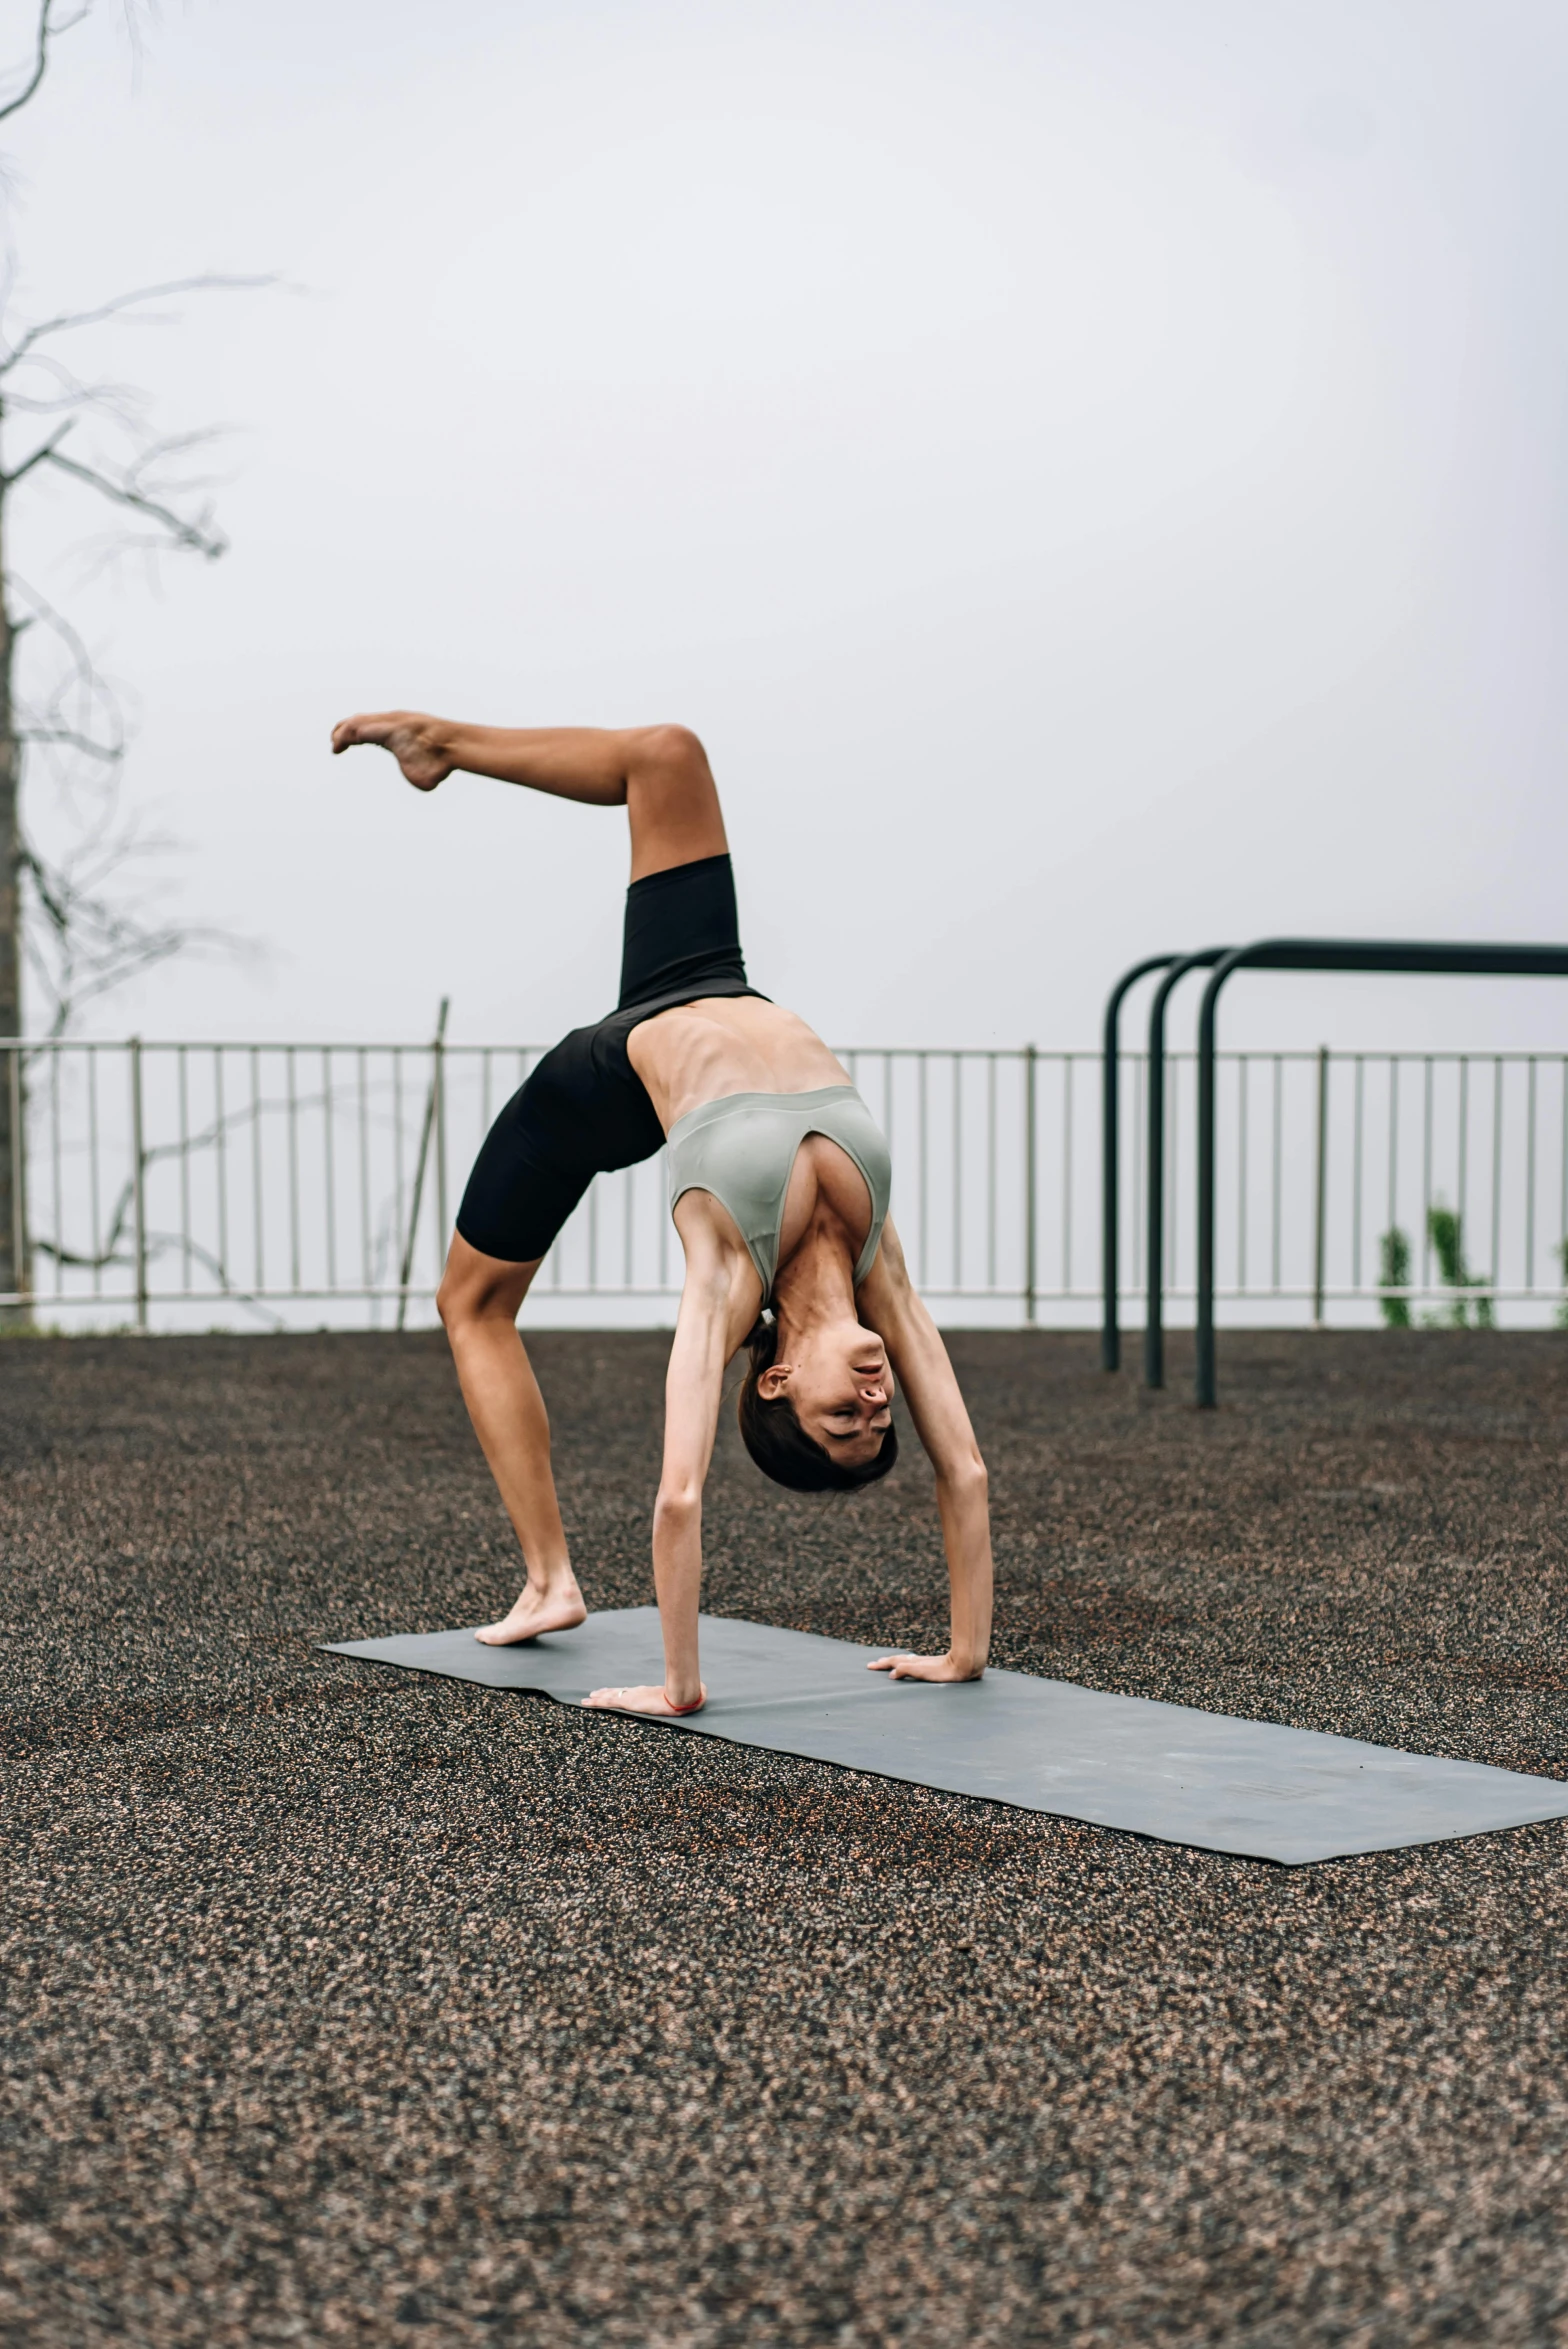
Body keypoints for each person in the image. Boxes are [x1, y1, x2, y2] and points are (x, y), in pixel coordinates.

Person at [330, 713, 993, 1716]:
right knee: (668, 753)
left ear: (773, 1379)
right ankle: (440, 747)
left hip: (600, 1083)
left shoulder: (727, 1280)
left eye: (836, 1419)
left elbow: (679, 1495)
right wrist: (961, 1655)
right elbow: (969, 1472)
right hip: (701, 983)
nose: (870, 1399)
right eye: (877, 1416)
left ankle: (550, 1577)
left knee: (469, 1304)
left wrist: (679, 1686)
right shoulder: (877, 1265)